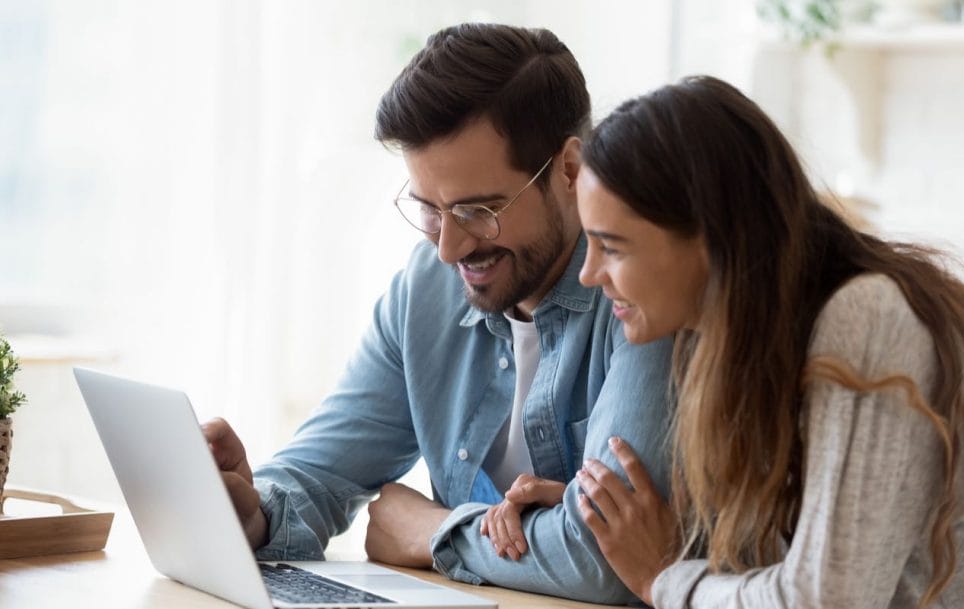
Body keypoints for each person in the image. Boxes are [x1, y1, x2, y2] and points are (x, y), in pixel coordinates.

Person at [200, 23, 676, 604]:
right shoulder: (428, 287)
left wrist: (432, 533)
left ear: (569, 171)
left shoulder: (646, 294)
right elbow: (318, 475)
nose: (449, 248)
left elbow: (609, 558)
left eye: (478, 209)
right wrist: (250, 511)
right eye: (428, 208)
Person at [486, 75, 964, 608]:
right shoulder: (735, 347)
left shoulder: (866, 318)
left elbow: (827, 599)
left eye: (612, 247)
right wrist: (580, 508)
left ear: (710, 237)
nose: (589, 273)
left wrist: (664, 579)